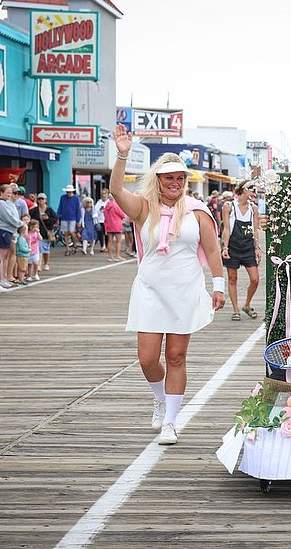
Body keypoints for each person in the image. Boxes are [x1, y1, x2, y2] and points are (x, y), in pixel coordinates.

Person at [111, 123, 226, 446]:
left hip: (185, 290)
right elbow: (116, 191)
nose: (175, 183)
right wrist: (122, 155)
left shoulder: (198, 212)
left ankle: (171, 422)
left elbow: (213, 250)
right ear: (158, 180)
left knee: (176, 356)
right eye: (168, 178)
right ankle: (160, 399)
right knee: (147, 358)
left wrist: (218, 286)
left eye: (180, 178)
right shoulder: (144, 207)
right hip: (150, 290)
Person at [221, 179, 261, 321]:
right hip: (233, 245)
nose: (254, 193)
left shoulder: (253, 208)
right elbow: (226, 229)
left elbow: (255, 230)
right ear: (244, 190)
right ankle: (235, 309)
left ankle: (247, 304)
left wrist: (257, 248)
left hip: (248, 246)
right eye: (252, 190)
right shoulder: (229, 206)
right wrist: (225, 247)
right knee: (232, 278)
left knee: (255, 279)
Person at [0, 184, 23, 287]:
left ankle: (4, 277)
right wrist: (20, 224)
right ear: (1, 193)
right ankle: (0, 278)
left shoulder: (7, 203)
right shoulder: (0, 203)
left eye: (11, 193)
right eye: (8, 193)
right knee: (2, 256)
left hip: (9, 231)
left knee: (6, 255)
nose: (10, 195)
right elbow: (8, 217)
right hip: (3, 230)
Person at [29, 193, 57, 272]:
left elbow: (55, 220)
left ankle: (46, 263)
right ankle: (39, 265)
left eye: (42, 199)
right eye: (39, 199)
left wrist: (47, 219)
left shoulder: (49, 210)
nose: (41, 200)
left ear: (45, 200)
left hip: (46, 231)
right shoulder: (34, 210)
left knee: (46, 250)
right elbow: (31, 219)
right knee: (39, 249)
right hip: (37, 231)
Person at [56, 184, 81, 255]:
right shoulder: (62, 198)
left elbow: (78, 210)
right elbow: (60, 207)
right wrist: (58, 217)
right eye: (67, 192)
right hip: (64, 217)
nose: (69, 193)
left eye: (70, 192)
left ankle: (75, 245)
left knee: (72, 232)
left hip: (73, 218)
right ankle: (67, 248)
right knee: (65, 233)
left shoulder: (76, 198)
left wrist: (78, 220)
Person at [103, 194, 127, 261]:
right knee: (118, 241)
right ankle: (117, 255)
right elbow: (122, 215)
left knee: (110, 241)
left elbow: (104, 214)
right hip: (116, 225)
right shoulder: (116, 205)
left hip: (109, 225)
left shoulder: (106, 205)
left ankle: (110, 256)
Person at [94, 188, 110, 253]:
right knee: (100, 233)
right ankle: (102, 246)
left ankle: (107, 246)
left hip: (107, 221)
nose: (104, 196)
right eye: (102, 194)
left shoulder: (109, 202)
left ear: (107, 195)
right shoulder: (99, 202)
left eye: (105, 194)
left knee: (107, 234)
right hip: (100, 220)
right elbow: (95, 210)